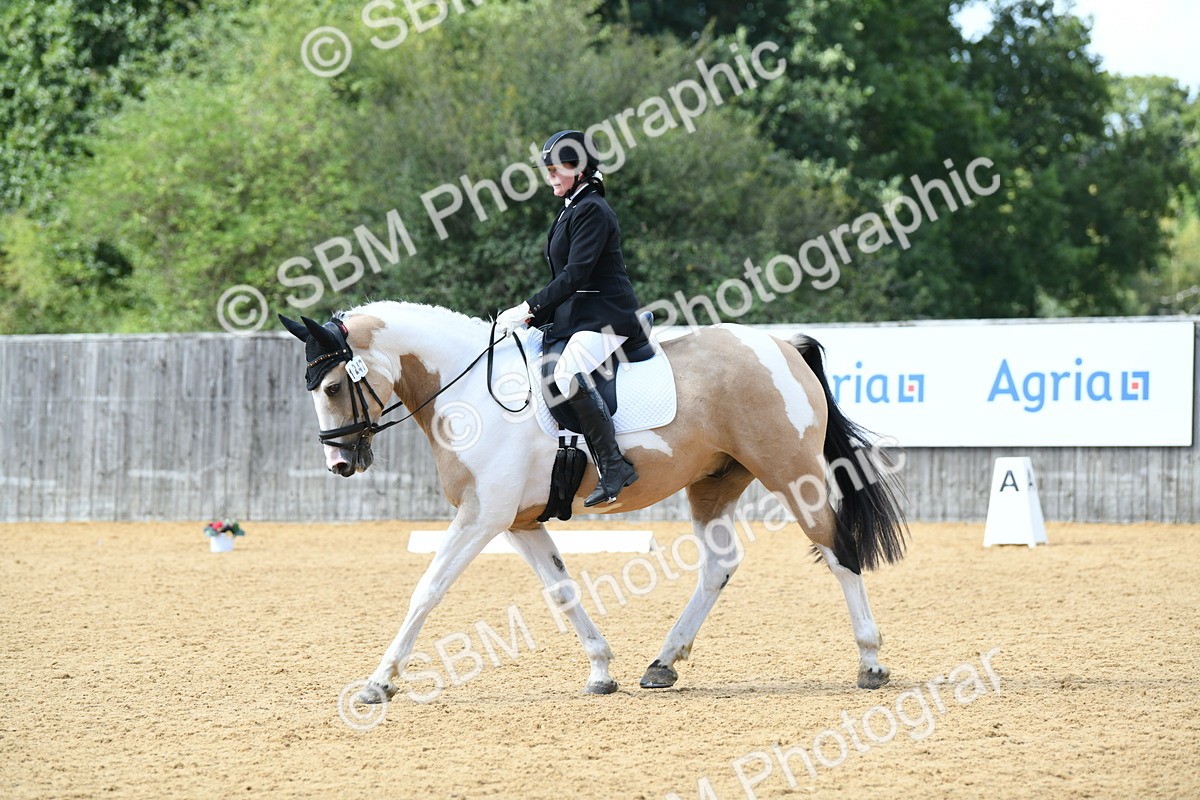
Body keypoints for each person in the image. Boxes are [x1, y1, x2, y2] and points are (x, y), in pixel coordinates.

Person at [496, 130, 646, 506]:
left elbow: (576, 274)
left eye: (554, 170)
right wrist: (538, 316)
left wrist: (530, 307)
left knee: (564, 375)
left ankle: (613, 465)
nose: (549, 177)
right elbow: (563, 280)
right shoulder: (573, 208)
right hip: (581, 315)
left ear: (577, 169)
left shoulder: (593, 209)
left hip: (607, 316)